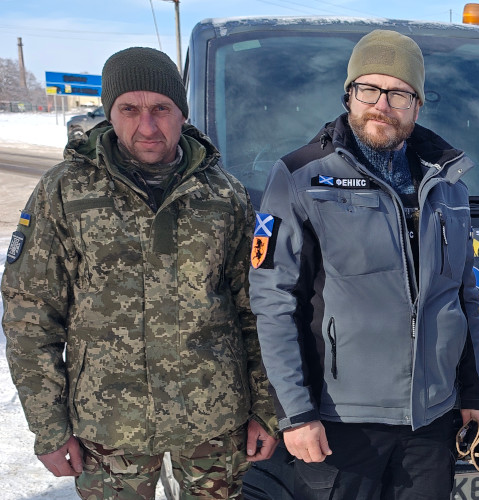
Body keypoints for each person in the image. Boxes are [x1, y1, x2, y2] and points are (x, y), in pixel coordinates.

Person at [1, 46, 276, 499]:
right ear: (110, 113)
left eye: (161, 109)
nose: (147, 126)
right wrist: (48, 427)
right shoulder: (65, 190)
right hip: (108, 427)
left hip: (215, 421)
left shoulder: (226, 195)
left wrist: (265, 408)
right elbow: (31, 314)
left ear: (182, 114)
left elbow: (257, 311)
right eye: (130, 109)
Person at [247, 29, 479, 500]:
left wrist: (475, 395)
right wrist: (296, 414)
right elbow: (274, 302)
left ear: (417, 105)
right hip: (342, 424)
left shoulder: (449, 184)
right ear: (349, 96)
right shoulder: (300, 176)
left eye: (399, 93)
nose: (382, 104)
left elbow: (464, 297)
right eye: (369, 89)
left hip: (432, 422)